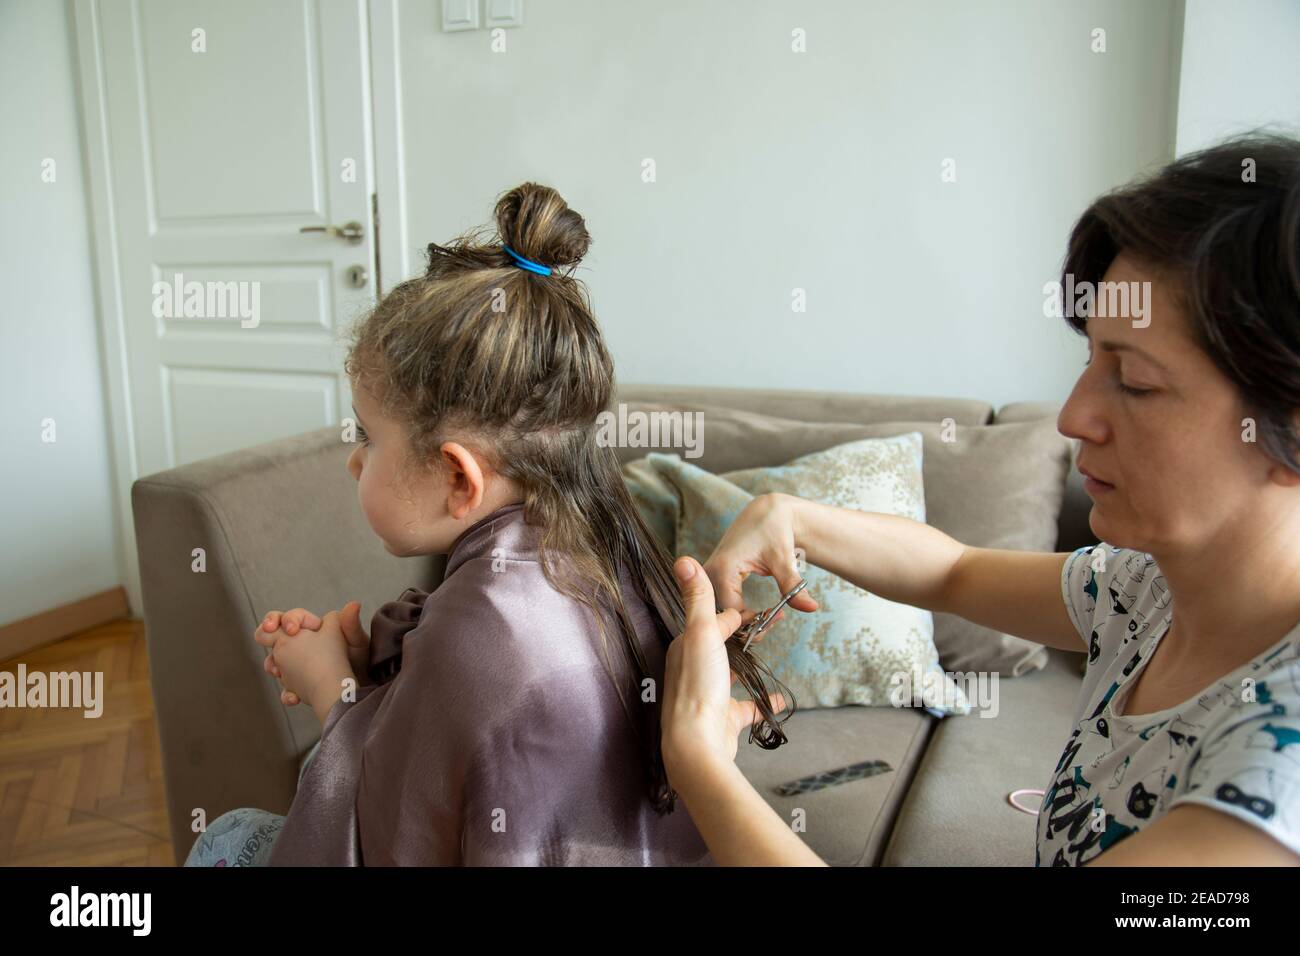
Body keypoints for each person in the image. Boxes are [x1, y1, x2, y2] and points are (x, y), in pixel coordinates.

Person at [661, 134, 1300, 867]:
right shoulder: (1148, 588)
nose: (1072, 417)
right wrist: (791, 514)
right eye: (1091, 360)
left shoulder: (1273, 789)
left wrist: (698, 758)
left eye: (1138, 383)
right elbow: (954, 571)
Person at [186, 183, 782, 866]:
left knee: (228, 839)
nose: (354, 462)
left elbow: (387, 829)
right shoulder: (598, 545)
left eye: (367, 437)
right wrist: (382, 668)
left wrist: (333, 690)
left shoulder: (483, 626)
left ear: (459, 478)